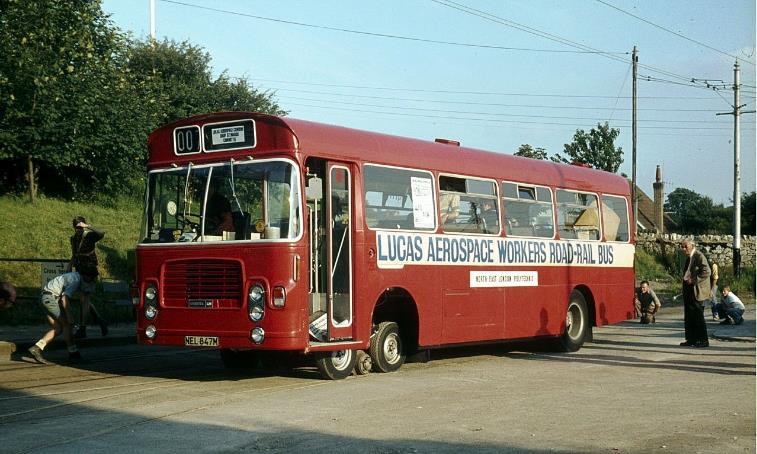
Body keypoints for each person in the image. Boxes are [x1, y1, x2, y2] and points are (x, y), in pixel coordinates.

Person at [27, 270, 96, 364]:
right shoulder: (76, 280)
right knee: (67, 324)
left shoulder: (75, 276)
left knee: (58, 328)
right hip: (50, 299)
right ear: (85, 275)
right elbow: (65, 299)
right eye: (91, 278)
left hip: (45, 297)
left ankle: (36, 348)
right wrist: (69, 315)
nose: (91, 280)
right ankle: (73, 353)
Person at [69, 216, 108, 338]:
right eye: (77, 227)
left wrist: (88, 226)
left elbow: (101, 233)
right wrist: (69, 266)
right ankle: (100, 321)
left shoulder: (89, 236)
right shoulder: (73, 239)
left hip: (89, 270)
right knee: (84, 300)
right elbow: (74, 254)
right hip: (79, 269)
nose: (78, 230)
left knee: (84, 299)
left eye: (80, 227)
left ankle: (83, 328)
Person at [679, 239, 711, 347]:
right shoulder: (689, 258)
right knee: (689, 315)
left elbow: (707, 271)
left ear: (692, 245)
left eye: (685, 246)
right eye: (682, 247)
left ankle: (703, 340)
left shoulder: (699, 256)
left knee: (698, 315)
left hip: (696, 290)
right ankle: (691, 339)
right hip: (688, 289)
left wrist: (694, 280)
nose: (683, 249)